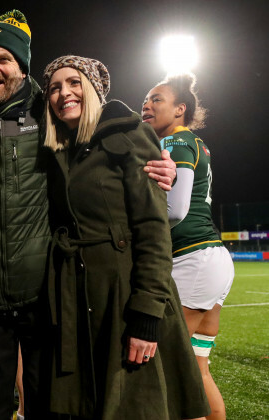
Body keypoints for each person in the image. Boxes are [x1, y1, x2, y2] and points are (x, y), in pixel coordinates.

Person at [0, 10, 177, 420]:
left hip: (47, 295)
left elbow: (104, 135)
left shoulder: (49, 110)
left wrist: (158, 162)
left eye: (3, 58)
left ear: (21, 65)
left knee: (52, 406)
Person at [42, 55, 210, 419]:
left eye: (74, 83)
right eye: (54, 87)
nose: (64, 93)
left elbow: (153, 230)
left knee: (137, 407)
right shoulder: (59, 150)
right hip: (80, 299)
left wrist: (147, 316)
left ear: (93, 88)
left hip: (125, 300)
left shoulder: (131, 134)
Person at [142, 73, 234, 420]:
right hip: (210, 259)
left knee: (168, 367)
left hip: (192, 259)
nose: (146, 106)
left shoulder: (175, 143)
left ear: (180, 109)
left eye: (156, 100)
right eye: (145, 101)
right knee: (197, 370)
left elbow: (175, 210)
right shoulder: (192, 142)